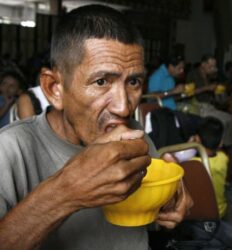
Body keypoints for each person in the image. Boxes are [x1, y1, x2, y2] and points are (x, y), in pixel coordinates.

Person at [0, 5, 192, 250]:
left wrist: (169, 202)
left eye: (133, 81)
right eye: (101, 81)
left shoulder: (136, 138)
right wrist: (65, 191)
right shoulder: (9, 151)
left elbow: (151, 220)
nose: (124, 108)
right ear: (53, 88)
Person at [192, 117, 228, 218]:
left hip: (203, 215)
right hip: (221, 210)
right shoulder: (223, 158)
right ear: (221, 142)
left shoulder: (193, 164)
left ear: (197, 139)